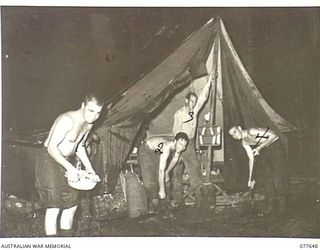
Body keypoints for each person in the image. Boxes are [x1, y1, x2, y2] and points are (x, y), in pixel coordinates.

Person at [35, 93, 104, 236]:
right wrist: (72, 169)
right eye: (91, 111)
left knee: (71, 205)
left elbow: (79, 147)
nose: (94, 116)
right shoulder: (67, 120)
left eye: (98, 113)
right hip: (49, 160)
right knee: (54, 206)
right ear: (83, 106)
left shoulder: (89, 124)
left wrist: (91, 169)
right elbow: (52, 148)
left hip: (67, 161)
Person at [171, 71, 216, 206]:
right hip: (179, 144)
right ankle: (178, 202)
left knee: (195, 171)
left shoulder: (194, 112)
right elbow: (175, 131)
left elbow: (203, 97)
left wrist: (209, 83)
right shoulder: (179, 114)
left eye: (194, 102)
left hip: (190, 144)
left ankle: (200, 200)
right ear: (186, 101)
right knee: (177, 173)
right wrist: (178, 149)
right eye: (191, 101)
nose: (193, 103)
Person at [228, 126, 288, 214]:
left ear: (240, 129)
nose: (235, 136)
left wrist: (258, 148)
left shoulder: (251, 131)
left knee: (278, 177)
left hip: (276, 147)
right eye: (232, 135)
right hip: (265, 150)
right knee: (267, 178)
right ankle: (271, 205)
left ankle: (283, 206)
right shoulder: (244, 142)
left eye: (235, 132)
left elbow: (273, 136)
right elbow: (251, 159)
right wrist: (250, 179)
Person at [139, 132, 189, 212]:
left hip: (157, 152)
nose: (182, 147)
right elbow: (161, 170)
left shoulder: (177, 148)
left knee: (164, 178)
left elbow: (175, 159)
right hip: (147, 150)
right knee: (150, 180)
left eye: (184, 146)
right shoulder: (167, 148)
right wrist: (162, 190)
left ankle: (164, 205)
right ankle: (156, 205)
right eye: (180, 144)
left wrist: (167, 172)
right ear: (175, 141)